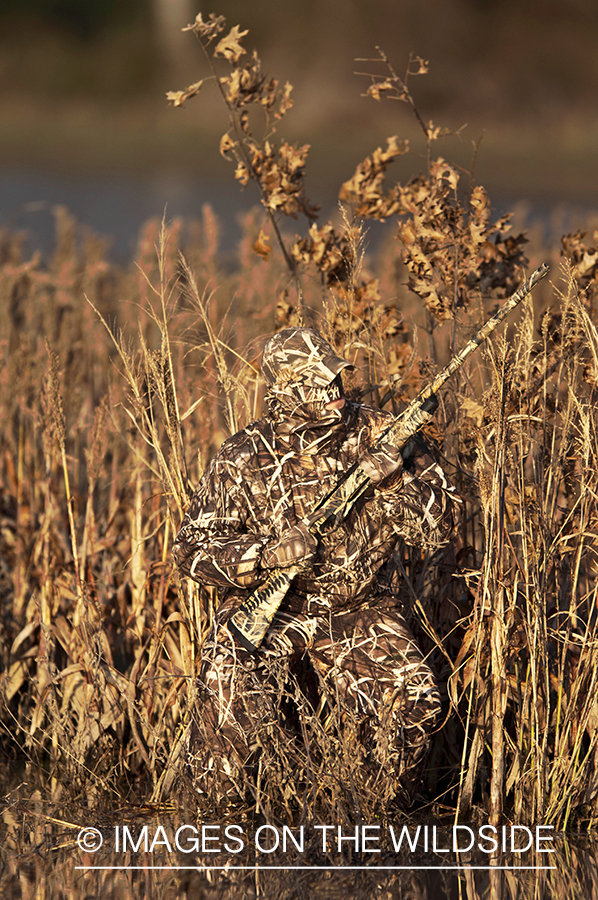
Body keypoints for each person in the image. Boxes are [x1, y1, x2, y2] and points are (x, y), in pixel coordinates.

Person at [173, 327, 461, 809]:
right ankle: (214, 828)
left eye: (337, 379)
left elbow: (440, 530)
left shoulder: (383, 436)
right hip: (272, 607)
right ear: (284, 387)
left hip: (359, 607)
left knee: (415, 700)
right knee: (226, 693)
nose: (335, 393)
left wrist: (391, 481)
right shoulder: (243, 456)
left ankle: (374, 818)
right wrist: (265, 554)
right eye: (317, 383)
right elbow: (192, 551)